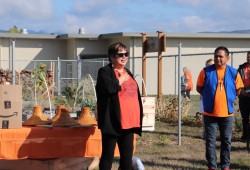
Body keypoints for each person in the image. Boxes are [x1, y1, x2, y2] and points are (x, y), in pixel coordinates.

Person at [96, 42, 143, 170]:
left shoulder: (128, 72)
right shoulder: (104, 71)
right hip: (113, 121)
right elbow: (109, 88)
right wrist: (120, 80)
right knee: (108, 155)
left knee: (127, 158)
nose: (124, 57)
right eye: (120, 54)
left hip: (129, 122)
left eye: (126, 54)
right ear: (111, 57)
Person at [196, 46, 244, 170]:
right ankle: (212, 166)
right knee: (210, 142)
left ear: (227, 58)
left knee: (226, 141)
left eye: (221, 56)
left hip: (227, 114)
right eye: (216, 56)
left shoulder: (234, 72)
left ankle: (225, 166)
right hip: (210, 114)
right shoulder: (206, 71)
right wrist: (209, 97)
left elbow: (238, 90)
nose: (218, 58)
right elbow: (199, 88)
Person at [200, 58, 215, 139]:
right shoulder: (204, 74)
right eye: (208, 65)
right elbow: (200, 86)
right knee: (204, 116)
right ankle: (205, 132)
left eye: (212, 65)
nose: (210, 67)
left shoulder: (218, 74)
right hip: (205, 98)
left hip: (216, 99)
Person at [237, 51, 250, 142]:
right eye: (248, 56)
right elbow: (237, 80)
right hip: (243, 96)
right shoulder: (241, 67)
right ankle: (245, 136)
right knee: (244, 117)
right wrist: (242, 90)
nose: (248, 58)